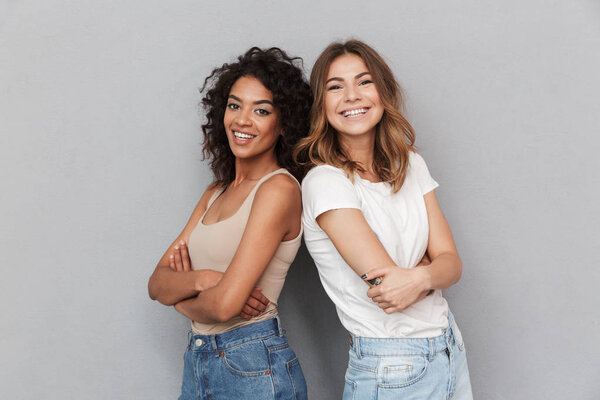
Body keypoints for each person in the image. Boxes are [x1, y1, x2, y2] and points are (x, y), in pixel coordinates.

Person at [295, 40, 473, 399]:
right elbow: (389, 290)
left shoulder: (410, 164)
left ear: (382, 91)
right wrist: (426, 271)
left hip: (449, 347)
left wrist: (419, 275)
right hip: (392, 365)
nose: (351, 96)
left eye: (364, 82)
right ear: (321, 104)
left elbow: (453, 265)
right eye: (335, 86)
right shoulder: (325, 183)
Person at [148, 47, 312, 400]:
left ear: (283, 124)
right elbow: (156, 283)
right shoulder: (215, 193)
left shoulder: (279, 190)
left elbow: (223, 307)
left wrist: (180, 301)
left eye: (262, 110)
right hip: (199, 359)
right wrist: (204, 280)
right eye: (235, 105)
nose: (242, 120)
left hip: (252, 363)